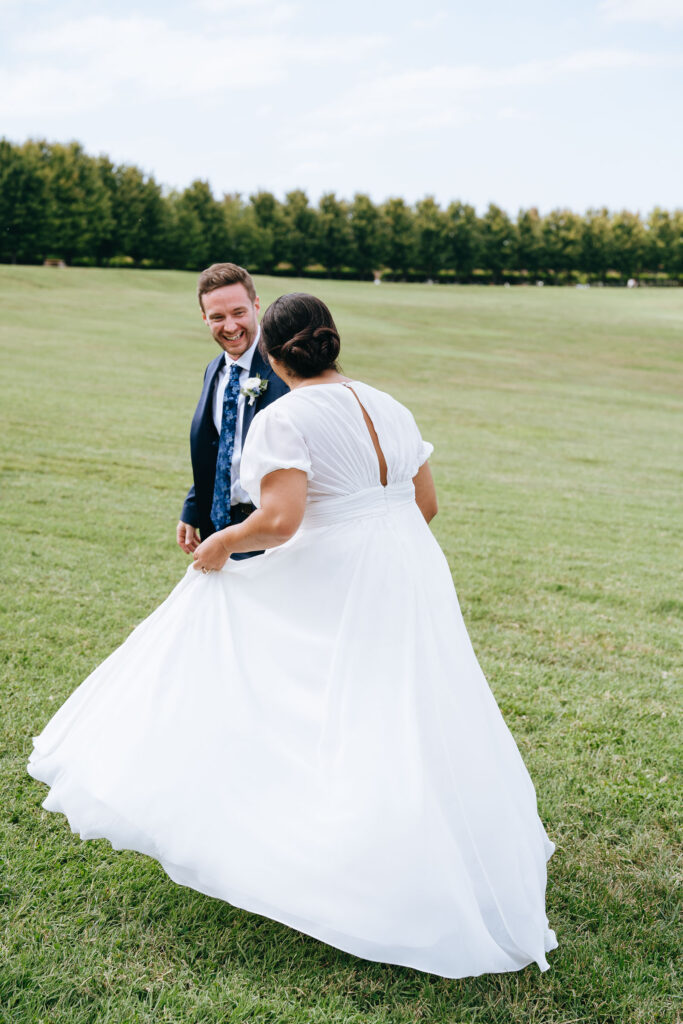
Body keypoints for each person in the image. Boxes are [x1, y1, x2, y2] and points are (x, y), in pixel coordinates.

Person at [28, 293, 557, 979]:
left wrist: (222, 542)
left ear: (276, 357)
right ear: (333, 342)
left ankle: (331, 854)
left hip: (349, 572)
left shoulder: (284, 416)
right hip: (412, 569)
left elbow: (279, 521)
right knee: (408, 705)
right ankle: (421, 849)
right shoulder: (389, 404)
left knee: (287, 671)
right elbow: (425, 505)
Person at [177, 263, 288, 560]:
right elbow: (221, 446)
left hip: (270, 530)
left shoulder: (287, 367)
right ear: (204, 318)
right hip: (220, 524)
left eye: (238, 313)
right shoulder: (215, 369)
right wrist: (193, 507)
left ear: (256, 305)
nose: (229, 326)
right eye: (217, 317)